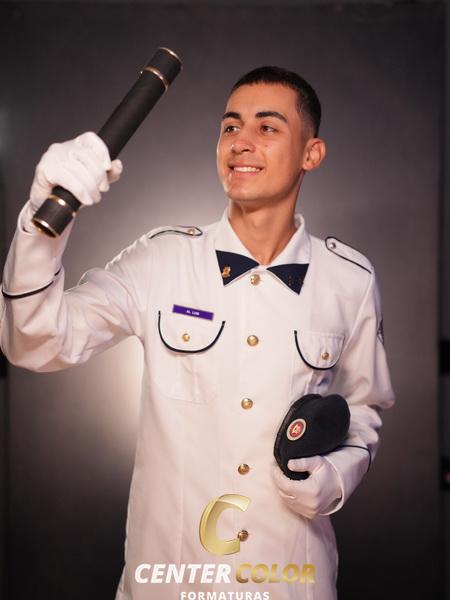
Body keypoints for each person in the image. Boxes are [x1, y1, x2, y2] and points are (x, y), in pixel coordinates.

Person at [0, 66, 395, 600]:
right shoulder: (160, 259)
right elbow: (33, 341)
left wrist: (337, 477)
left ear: (311, 153)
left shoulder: (351, 280)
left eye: (267, 127)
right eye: (230, 127)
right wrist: (41, 220)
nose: (241, 143)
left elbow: (365, 409)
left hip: (292, 583)